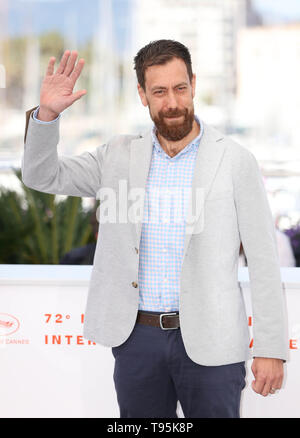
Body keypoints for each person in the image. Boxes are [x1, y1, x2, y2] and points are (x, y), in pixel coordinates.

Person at [21, 40, 288, 418]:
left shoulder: (235, 160)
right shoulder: (116, 155)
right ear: (143, 95)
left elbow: (263, 261)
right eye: (159, 91)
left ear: (193, 84)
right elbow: (41, 174)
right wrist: (47, 115)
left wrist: (270, 347)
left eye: (180, 88)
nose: (173, 102)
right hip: (137, 340)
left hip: (214, 340)